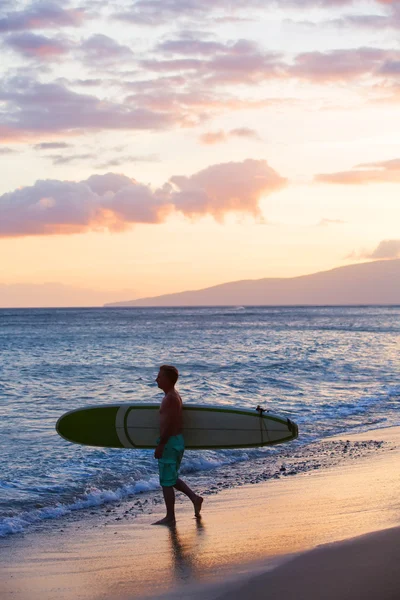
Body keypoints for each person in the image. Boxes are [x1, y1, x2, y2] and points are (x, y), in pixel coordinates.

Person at [153, 365, 203, 526]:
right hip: (174, 441)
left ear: (167, 379)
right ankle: (194, 498)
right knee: (171, 478)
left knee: (166, 482)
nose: (156, 379)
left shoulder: (170, 399)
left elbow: (170, 424)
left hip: (169, 442)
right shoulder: (172, 396)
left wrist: (161, 445)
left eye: (159, 377)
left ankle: (170, 517)